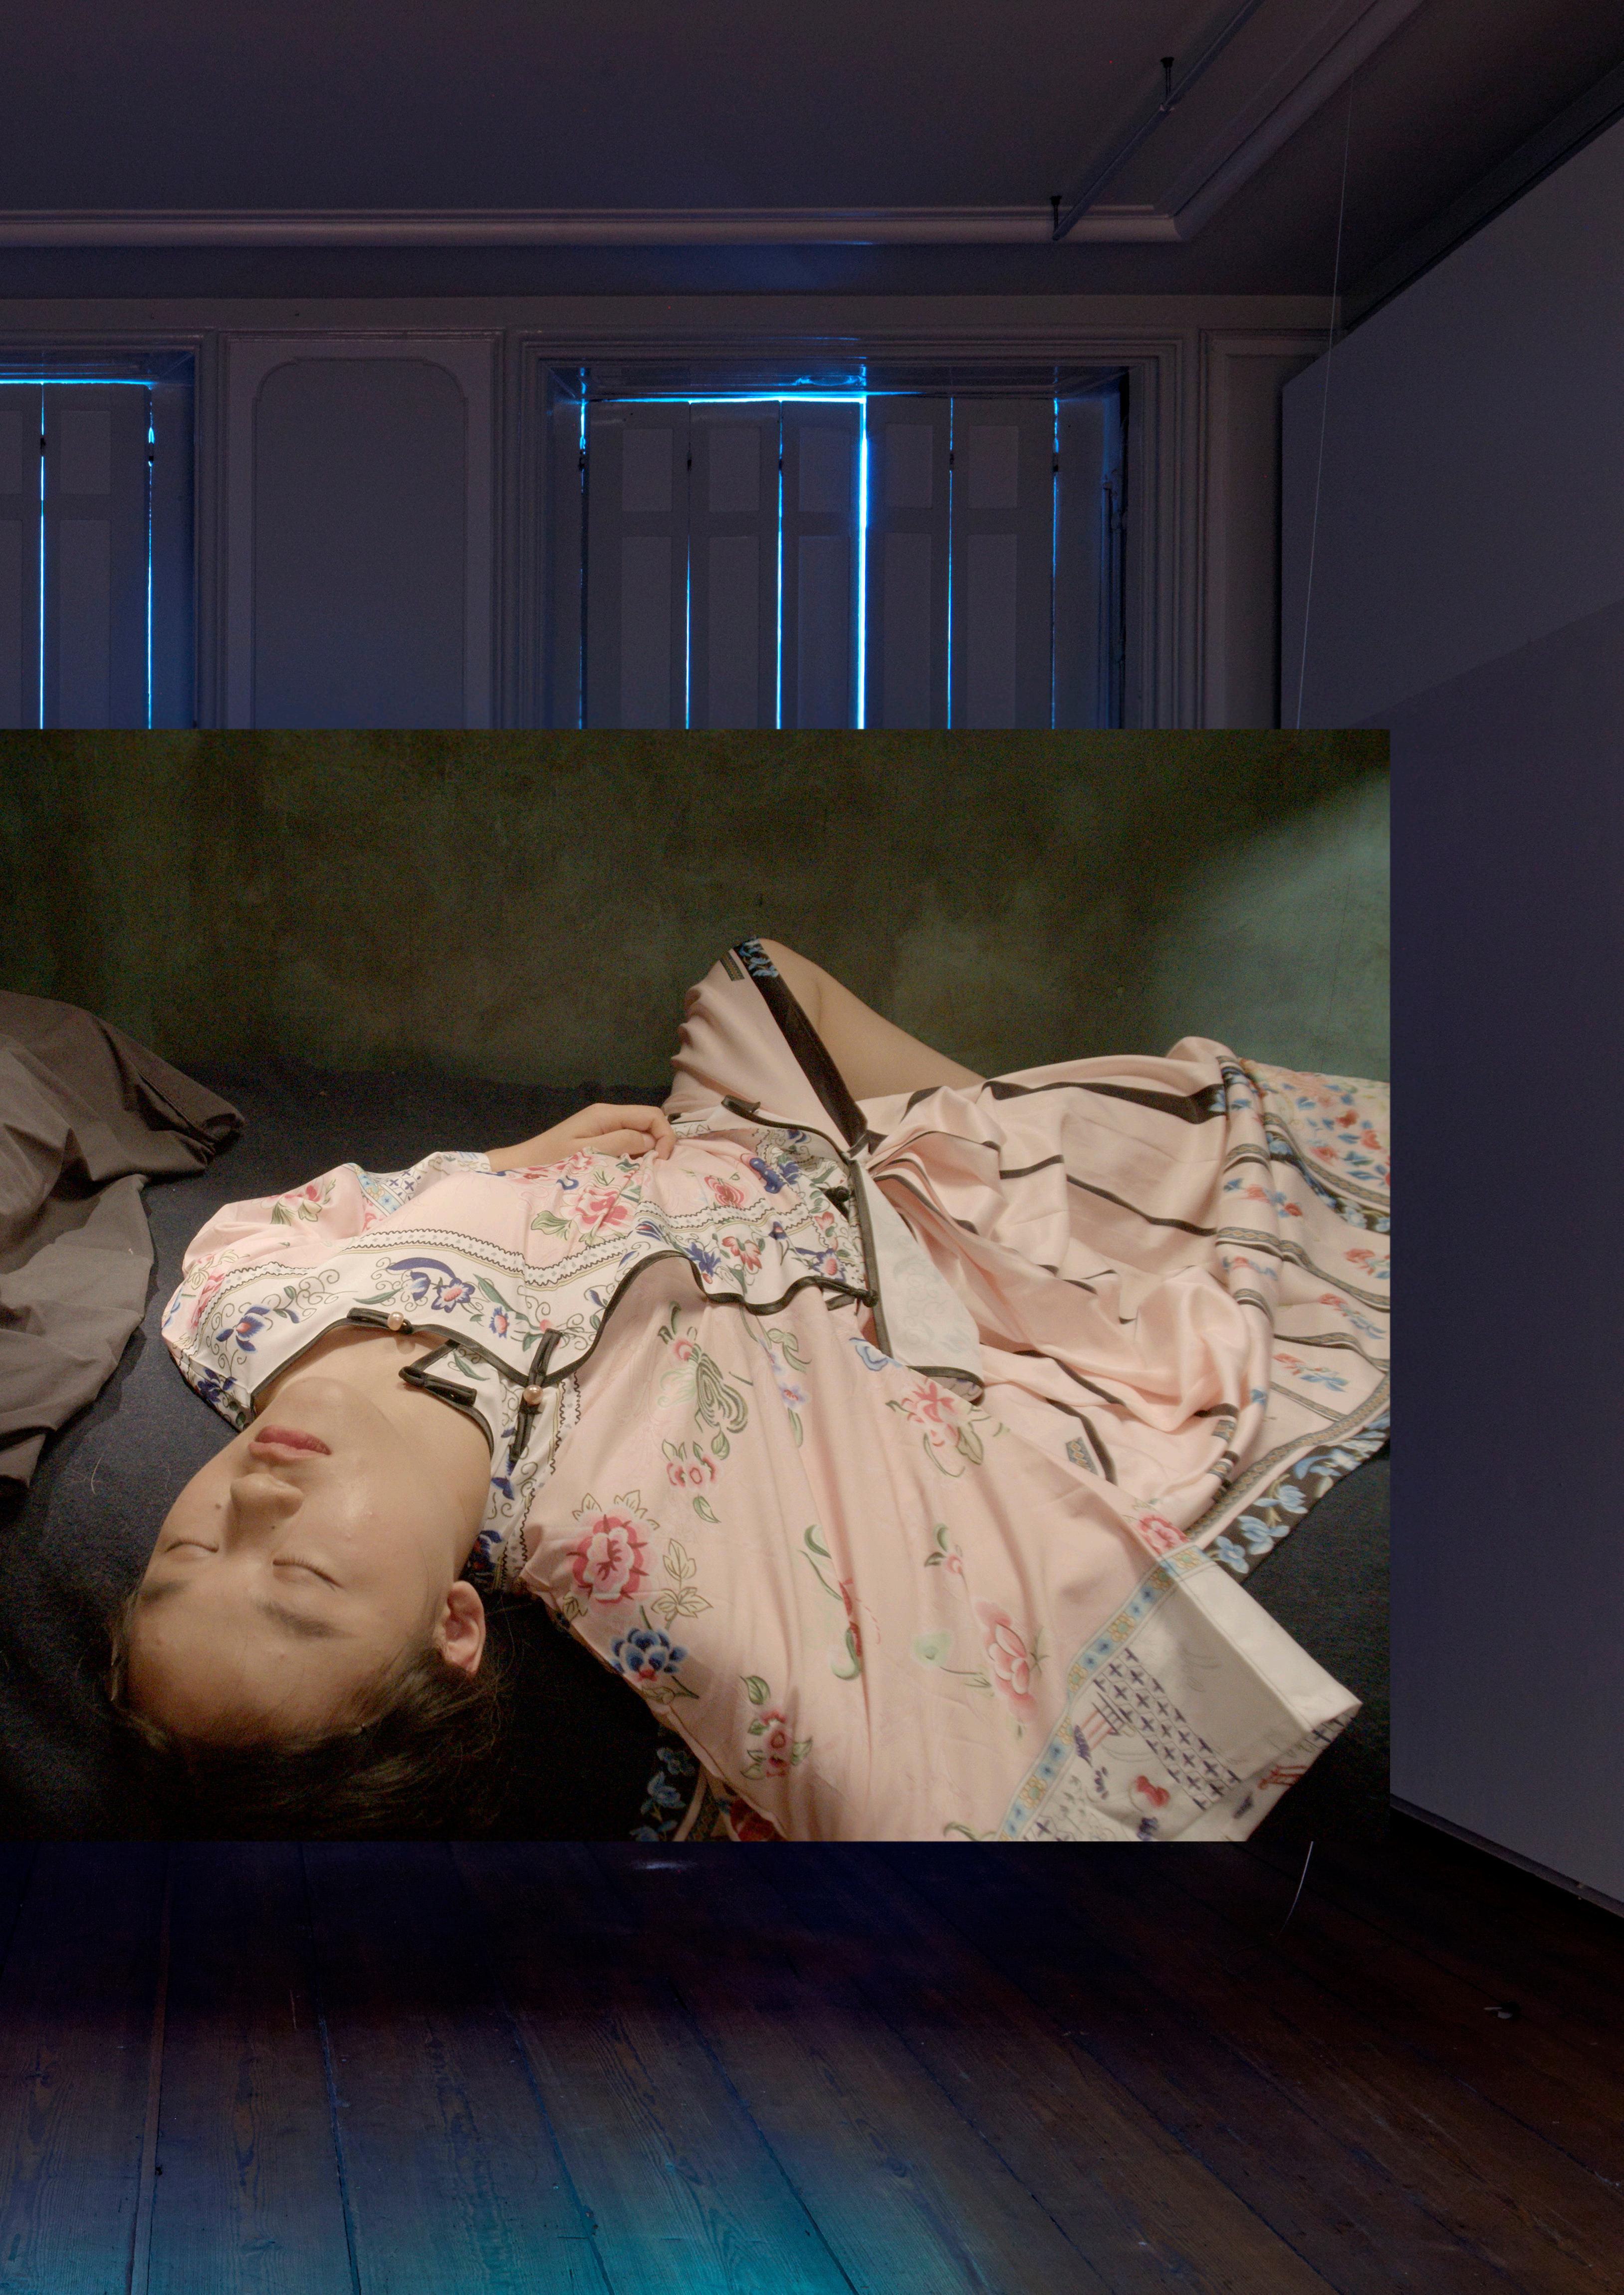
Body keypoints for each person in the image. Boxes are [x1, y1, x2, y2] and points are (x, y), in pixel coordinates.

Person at [110, 941, 1390, 1841]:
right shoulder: (604, 1520)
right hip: (837, 1222)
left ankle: (968, 1126)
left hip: (710, 1139)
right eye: (300, 1574)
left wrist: (504, 1160)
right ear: (454, 1625)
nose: (251, 1505)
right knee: (1109, 1168)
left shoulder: (232, 1315)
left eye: (185, 1552)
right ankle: (997, 1152)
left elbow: (308, 1212)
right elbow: (895, 1755)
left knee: (754, 972)